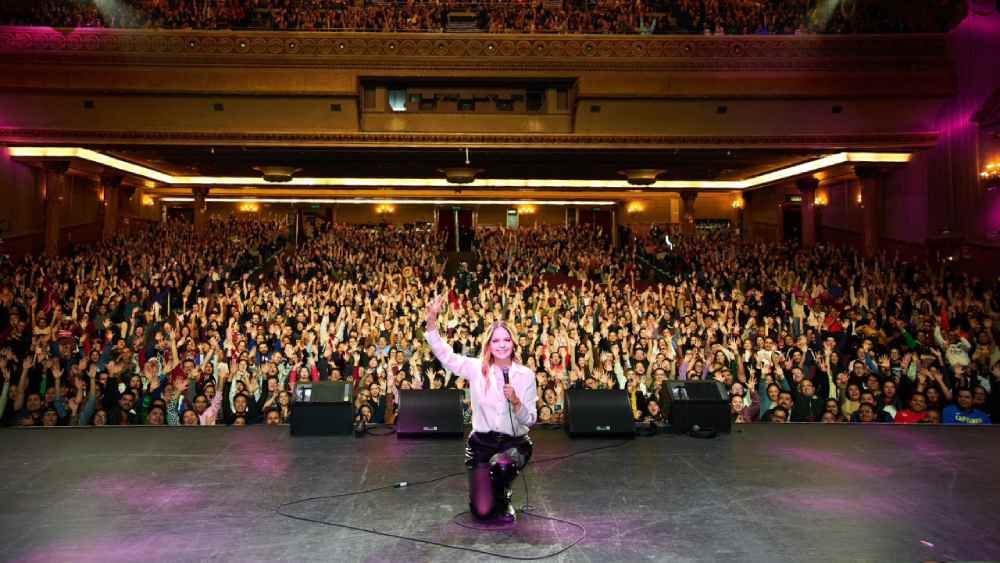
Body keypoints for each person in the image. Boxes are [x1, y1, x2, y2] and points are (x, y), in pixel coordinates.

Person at [424, 295, 536, 523]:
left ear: (514, 343)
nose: (502, 345)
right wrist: (432, 319)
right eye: (496, 341)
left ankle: (503, 495)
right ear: (489, 345)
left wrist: (516, 401)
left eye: (506, 340)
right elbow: (446, 355)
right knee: (482, 511)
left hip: (513, 444)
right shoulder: (476, 368)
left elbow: (530, 420)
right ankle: (484, 489)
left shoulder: (526, 375)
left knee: (503, 465)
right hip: (481, 445)